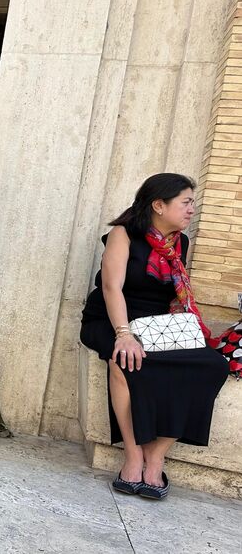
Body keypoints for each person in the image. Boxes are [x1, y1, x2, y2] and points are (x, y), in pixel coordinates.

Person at [80, 173, 229, 500]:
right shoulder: (123, 234)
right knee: (124, 361)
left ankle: (157, 455)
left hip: (157, 323)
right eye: (186, 202)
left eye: (192, 202)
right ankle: (133, 455)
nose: (192, 209)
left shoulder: (181, 242)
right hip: (111, 316)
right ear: (158, 205)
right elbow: (110, 287)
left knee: (213, 365)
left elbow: (176, 294)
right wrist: (123, 334)